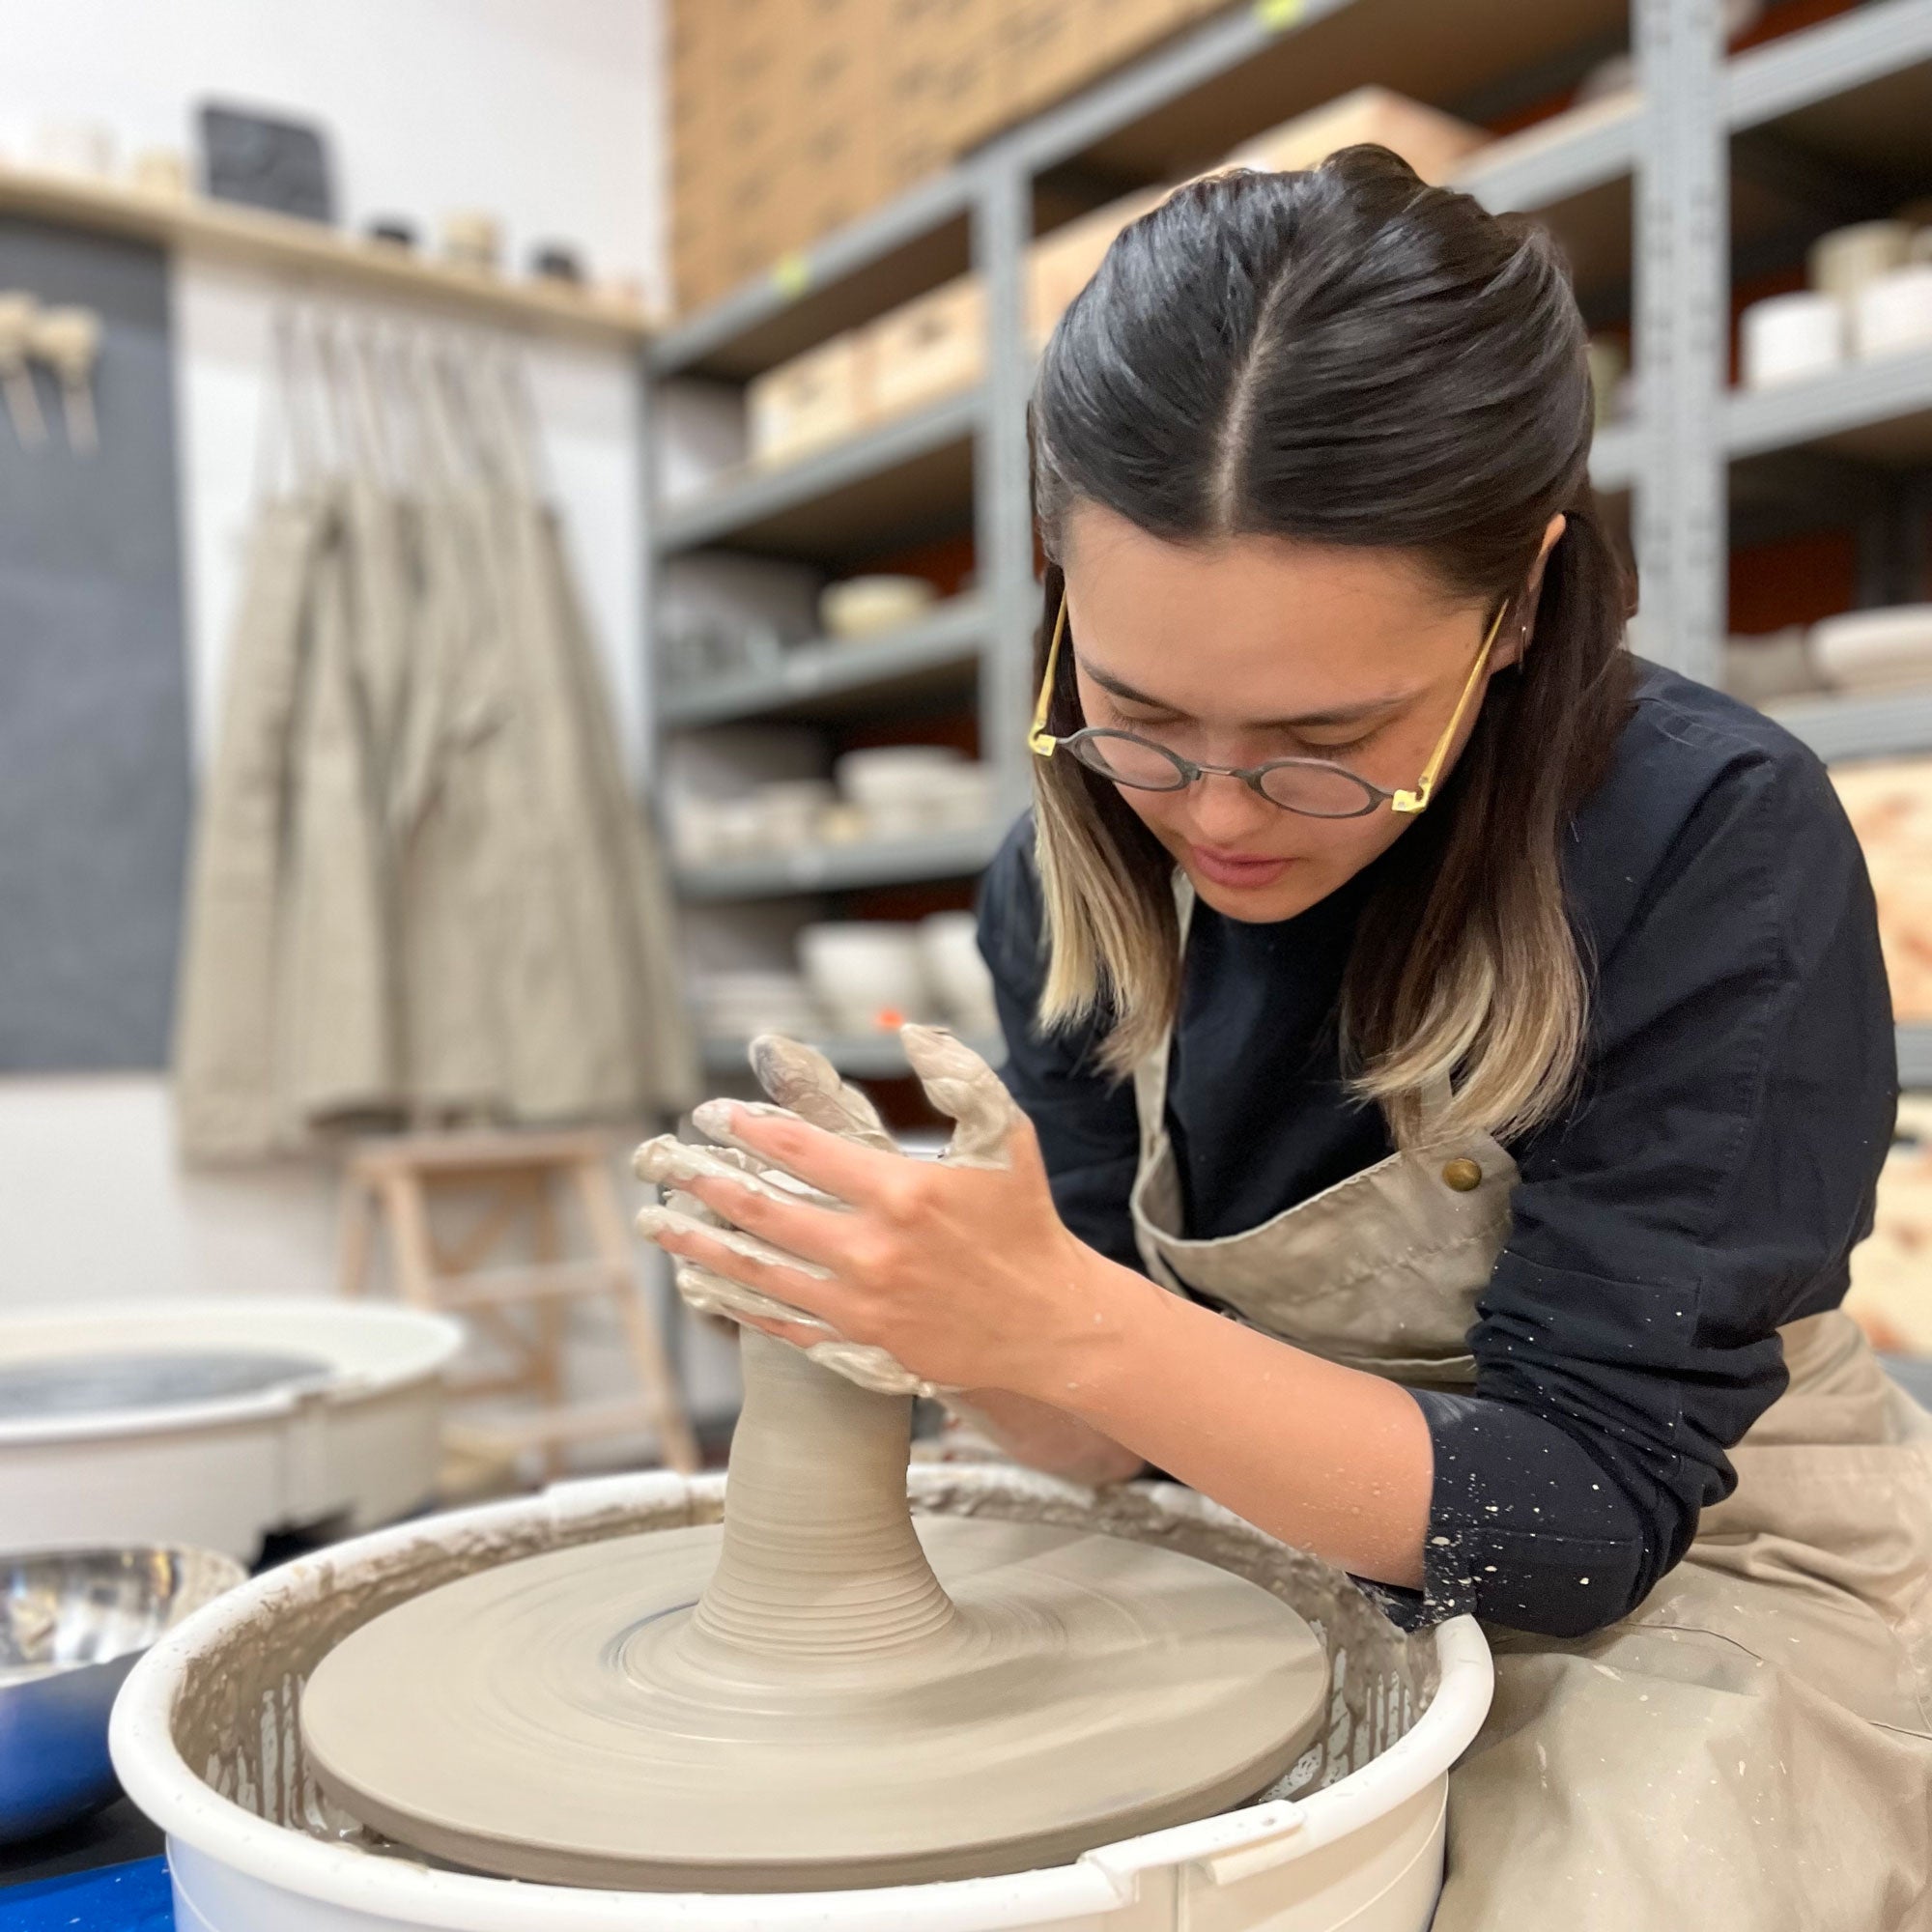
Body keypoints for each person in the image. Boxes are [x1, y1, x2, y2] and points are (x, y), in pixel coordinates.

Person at [651, 149, 1930, 1927]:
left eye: (1330, 735)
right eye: (1141, 712)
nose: (1224, 813)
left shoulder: (1709, 841)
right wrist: (900, 1303)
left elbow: (1580, 1523)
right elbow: (1109, 1438)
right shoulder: (1074, 877)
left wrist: (1069, 1318)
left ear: (1520, 597)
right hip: (1288, 1520)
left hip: (1693, 1569)